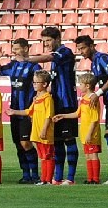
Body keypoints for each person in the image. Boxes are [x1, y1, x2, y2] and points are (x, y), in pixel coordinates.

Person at [73, 35, 108, 185]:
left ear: (92, 46)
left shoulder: (103, 58)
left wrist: (98, 93)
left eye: (83, 48)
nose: (81, 52)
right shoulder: (94, 64)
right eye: (79, 49)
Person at [28, 27, 79, 185]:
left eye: (49, 40)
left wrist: (27, 59)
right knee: (56, 141)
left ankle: (70, 178)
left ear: (58, 39)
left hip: (67, 104)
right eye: (44, 41)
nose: (46, 44)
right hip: (56, 103)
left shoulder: (65, 52)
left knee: (69, 139)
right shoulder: (55, 61)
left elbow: (48, 57)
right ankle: (57, 177)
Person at [0, 40, 41, 183]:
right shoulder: (13, 65)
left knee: (26, 143)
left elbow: (42, 85)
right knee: (18, 145)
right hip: (14, 111)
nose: (14, 51)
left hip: (27, 112)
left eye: (17, 48)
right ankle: (26, 175)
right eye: (13, 48)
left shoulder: (34, 66)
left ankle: (35, 175)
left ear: (26, 49)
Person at [53, 74, 102, 185]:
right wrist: (63, 116)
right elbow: (77, 114)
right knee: (88, 155)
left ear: (87, 86)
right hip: (84, 132)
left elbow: (94, 120)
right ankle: (90, 178)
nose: (79, 86)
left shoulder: (93, 99)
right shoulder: (84, 99)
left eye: (81, 84)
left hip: (91, 133)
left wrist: (89, 134)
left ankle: (95, 178)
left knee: (93, 154)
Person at [8, 72, 55, 185]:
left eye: (36, 82)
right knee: (42, 156)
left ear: (44, 84)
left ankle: (48, 179)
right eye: (33, 82)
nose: (34, 84)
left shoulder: (47, 98)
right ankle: (44, 179)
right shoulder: (37, 99)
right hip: (36, 131)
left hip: (44, 132)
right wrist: (14, 112)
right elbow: (29, 111)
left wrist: (44, 129)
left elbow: (49, 116)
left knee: (47, 155)